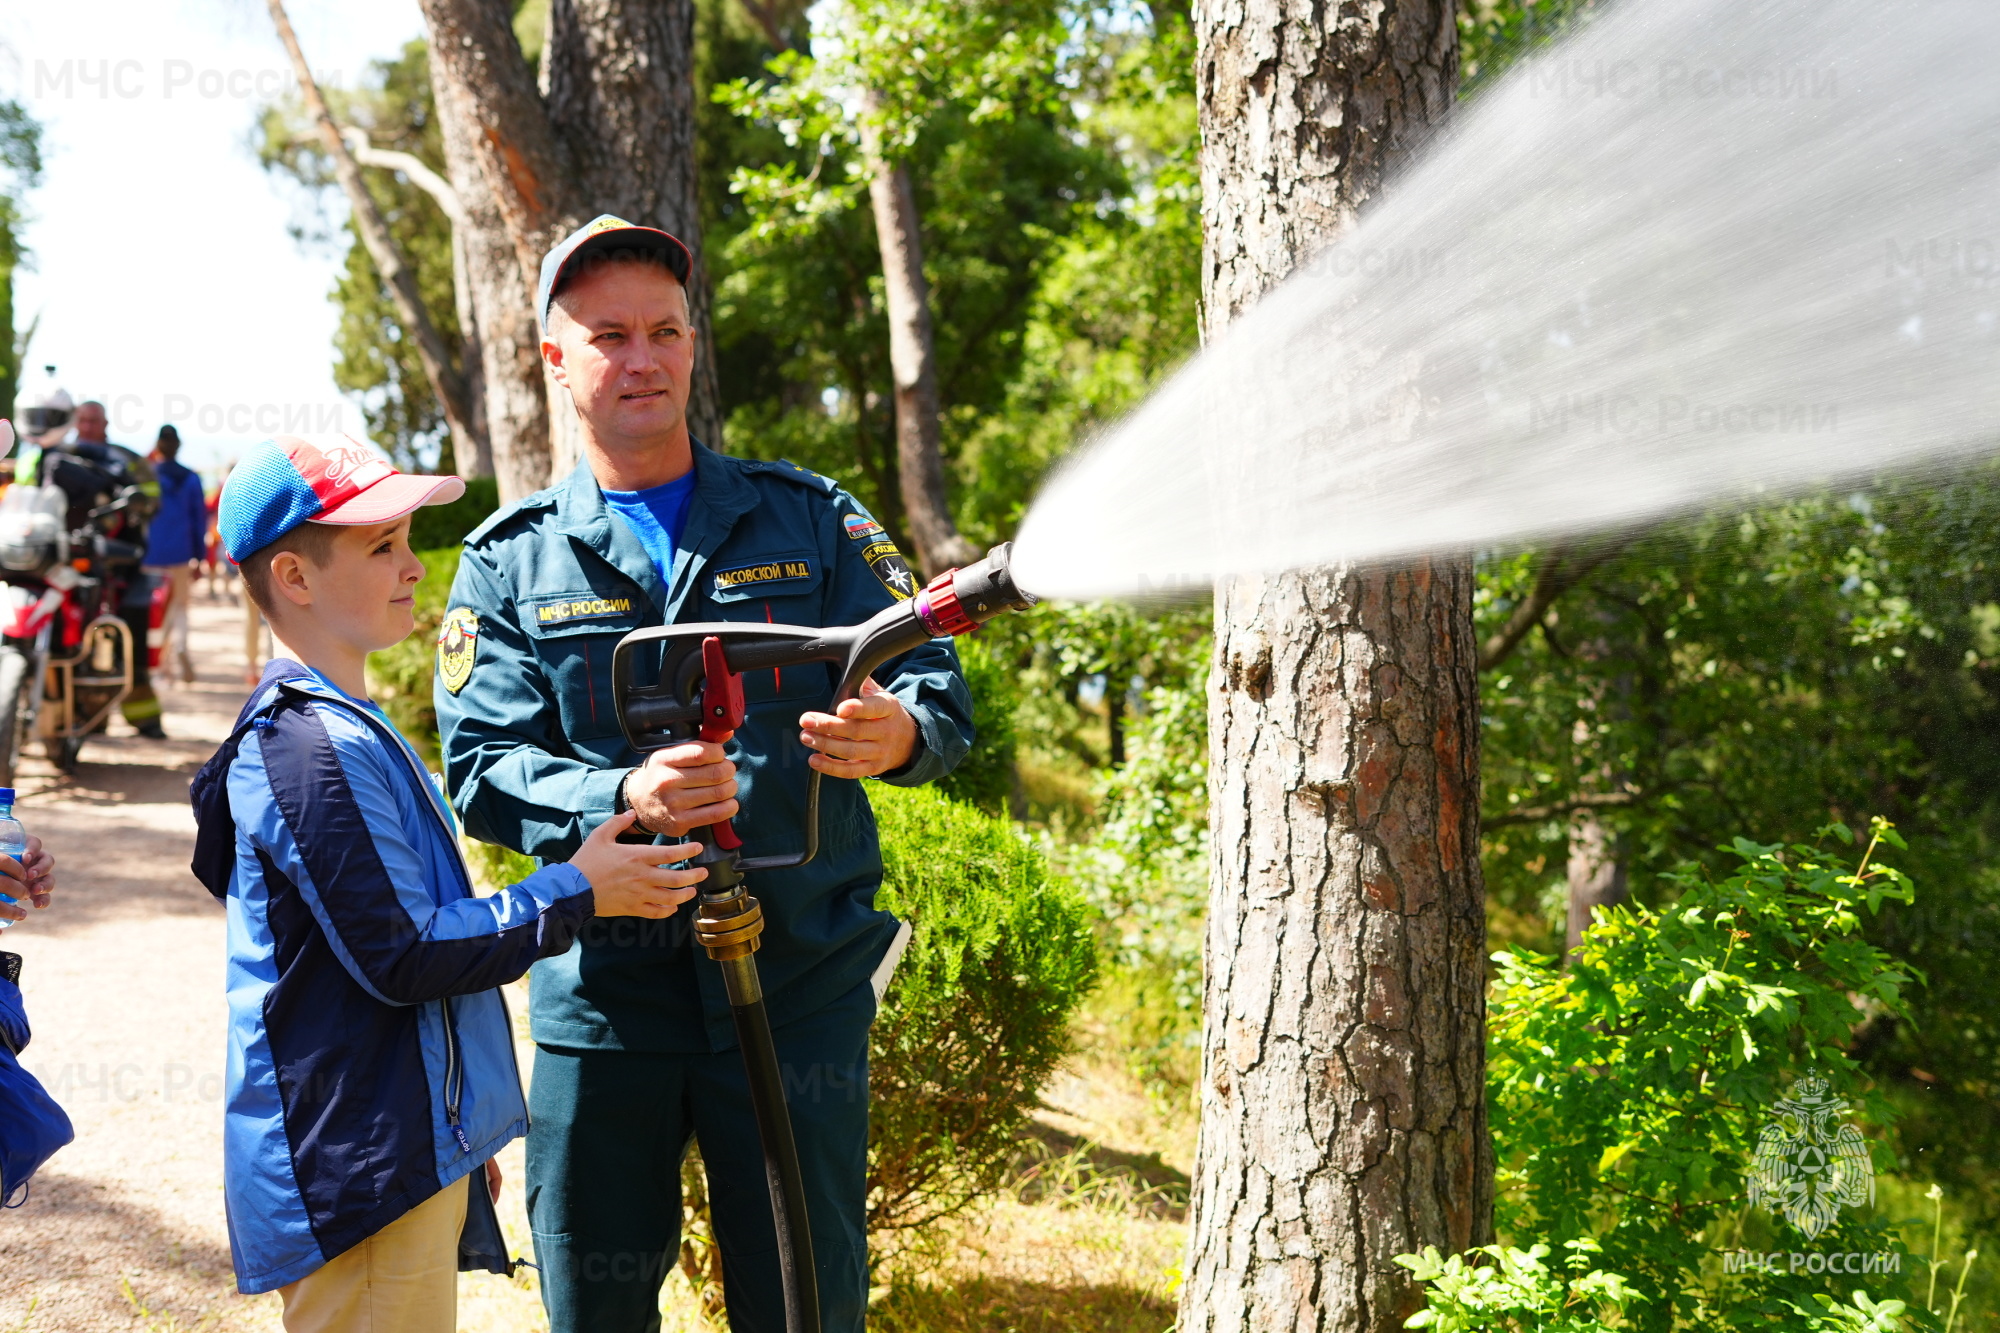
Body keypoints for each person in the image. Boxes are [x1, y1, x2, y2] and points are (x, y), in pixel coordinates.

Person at [435, 216, 974, 1333]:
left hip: (796, 992)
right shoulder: (508, 559)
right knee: (596, 1302)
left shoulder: (809, 516)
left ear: (692, 347)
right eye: (611, 335)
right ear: (555, 359)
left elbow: (935, 688)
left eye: (665, 332)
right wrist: (617, 797)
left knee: (804, 1302)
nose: (643, 358)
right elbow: (483, 767)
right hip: (604, 1001)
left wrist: (899, 736)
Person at [188, 435, 710, 1332]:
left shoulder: (340, 727)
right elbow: (404, 950)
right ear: (294, 576)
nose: (415, 567)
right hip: (359, 1163)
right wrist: (579, 890)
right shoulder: (309, 750)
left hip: (392, 1144)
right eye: (380, 545)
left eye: (407, 540)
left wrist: (454, 1131)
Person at [66, 401, 164, 737]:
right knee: (72, 639)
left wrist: (133, 508)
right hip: (67, 560)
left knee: (133, 635)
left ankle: (145, 718)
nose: (88, 426)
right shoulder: (58, 454)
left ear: (105, 423)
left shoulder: (127, 458)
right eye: (82, 420)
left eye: (94, 420)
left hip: (122, 563)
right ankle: (87, 716)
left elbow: (152, 498)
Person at [141, 425, 206, 687]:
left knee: (154, 611)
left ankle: (160, 665)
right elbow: (199, 519)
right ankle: (181, 645)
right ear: (179, 447)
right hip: (180, 554)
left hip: (150, 555)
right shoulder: (190, 478)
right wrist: (200, 558)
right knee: (180, 607)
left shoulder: (149, 476)